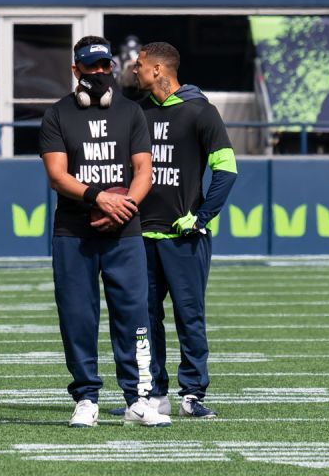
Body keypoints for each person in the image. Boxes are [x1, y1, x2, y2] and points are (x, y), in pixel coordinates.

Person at [37, 36, 170, 428]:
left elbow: (144, 171)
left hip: (124, 232)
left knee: (134, 316)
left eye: (104, 66)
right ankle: (85, 398)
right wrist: (99, 198)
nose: (98, 73)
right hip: (74, 232)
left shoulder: (131, 112)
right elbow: (57, 176)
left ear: (112, 67)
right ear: (75, 69)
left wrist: (123, 206)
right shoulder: (57, 114)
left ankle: (139, 397)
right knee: (77, 317)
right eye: (90, 67)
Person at [128, 41, 237, 419]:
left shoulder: (200, 111)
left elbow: (227, 170)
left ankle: (192, 393)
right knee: (144, 317)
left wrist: (202, 216)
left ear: (158, 70)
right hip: (139, 237)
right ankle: (154, 392)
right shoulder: (135, 112)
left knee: (189, 317)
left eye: (140, 64)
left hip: (185, 239)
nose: (133, 69)